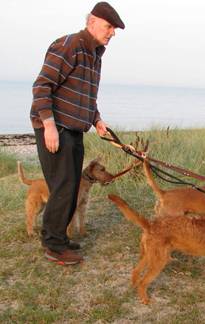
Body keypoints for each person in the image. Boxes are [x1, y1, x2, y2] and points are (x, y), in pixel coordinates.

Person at [30, 2, 125, 265]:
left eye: (114, 29)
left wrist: (97, 119)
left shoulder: (95, 55)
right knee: (62, 187)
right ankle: (54, 246)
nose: (112, 33)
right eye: (109, 27)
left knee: (71, 187)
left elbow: (85, 95)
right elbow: (42, 86)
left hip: (74, 128)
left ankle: (59, 237)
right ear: (92, 21)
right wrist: (48, 125)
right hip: (56, 129)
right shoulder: (69, 45)